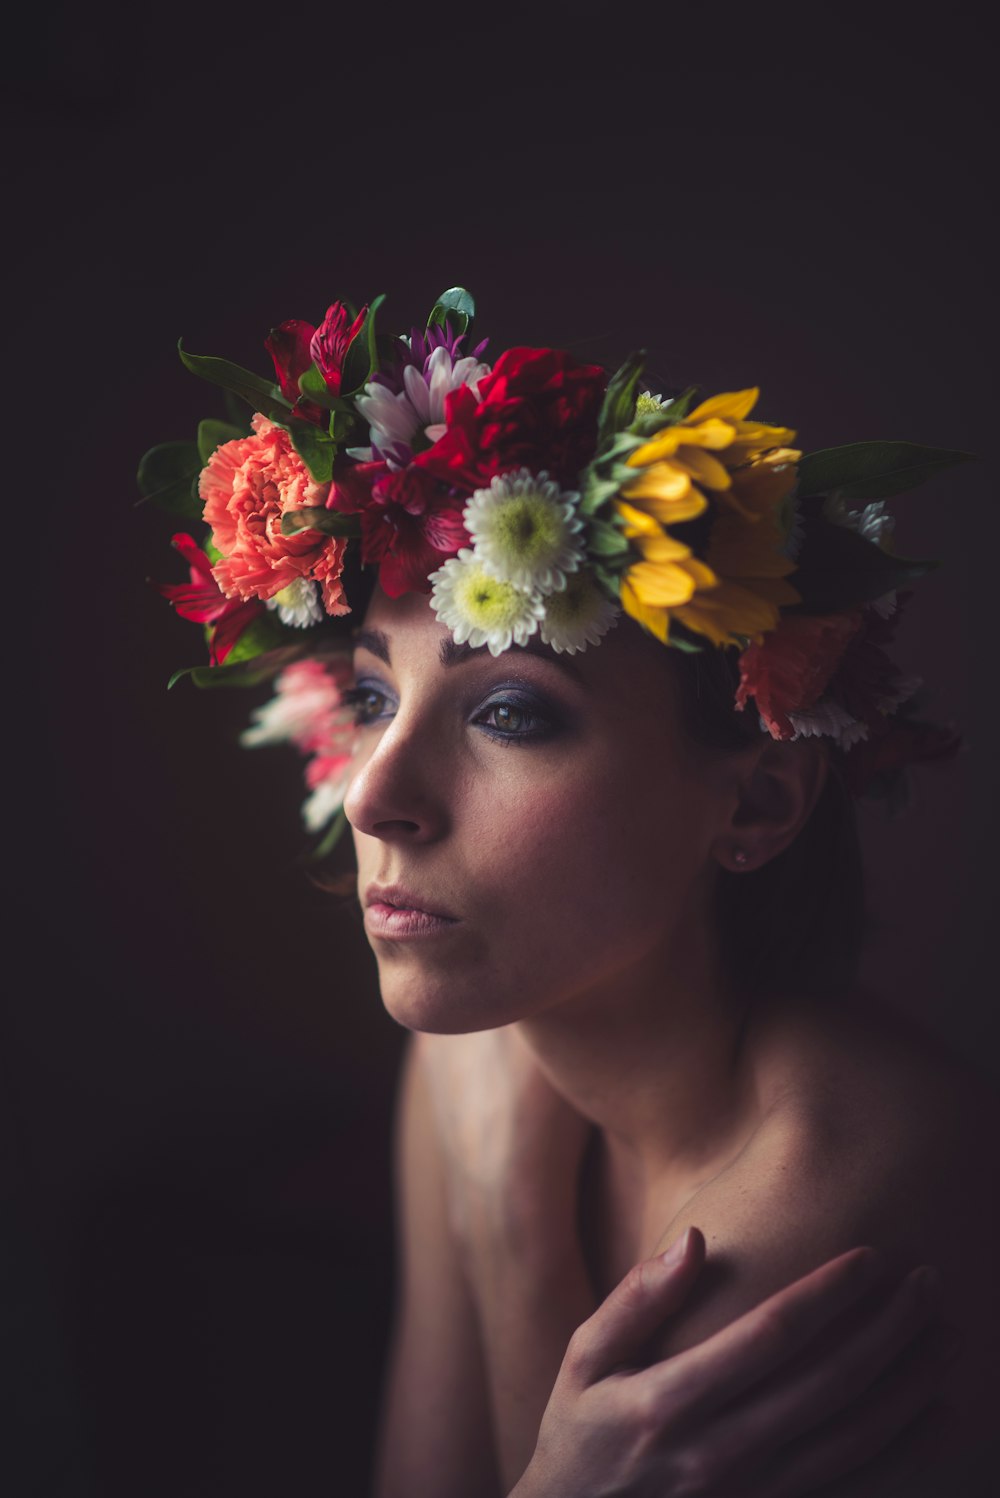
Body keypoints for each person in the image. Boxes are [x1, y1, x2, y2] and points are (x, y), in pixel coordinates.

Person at [148, 292, 999, 1494]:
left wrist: (505, 1236)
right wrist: (504, 1219)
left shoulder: (834, 1195)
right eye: (374, 699)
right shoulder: (476, 1050)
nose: (372, 799)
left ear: (754, 804)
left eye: (508, 713)